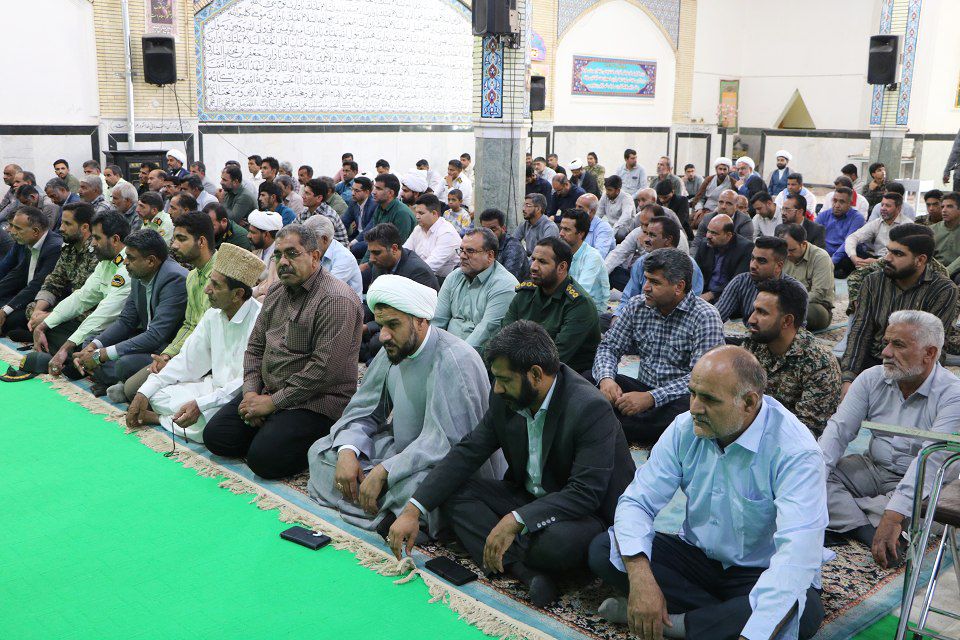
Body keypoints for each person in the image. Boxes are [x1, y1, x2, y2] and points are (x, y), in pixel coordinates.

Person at [389, 321, 636, 606]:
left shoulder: (590, 408)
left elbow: (585, 493)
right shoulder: (505, 398)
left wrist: (517, 520)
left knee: (555, 544)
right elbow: (468, 452)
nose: (496, 389)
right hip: (526, 495)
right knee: (454, 494)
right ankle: (526, 572)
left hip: (582, 513)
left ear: (535, 375)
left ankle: (519, 558)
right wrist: (413, 509)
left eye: (504, 380)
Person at [589, 346, 827, 640]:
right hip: (698, 557)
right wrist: (641, 579)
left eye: (709, 399)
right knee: (606, 548)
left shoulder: (796, 453)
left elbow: (796, 554)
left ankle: (676, 625)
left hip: (761, 570)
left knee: (804, 610)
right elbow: (637, 502)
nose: (695, 408)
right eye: (693, 393)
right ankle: (722, 620)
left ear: (749, 403)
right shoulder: (685, 428)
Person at [307, 274, 501, 534]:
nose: (383, 336)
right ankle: (384, 509)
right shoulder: (394, 348)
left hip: (439, 467)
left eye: (393, 325)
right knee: (321, 452)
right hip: (402, 452)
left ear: (420, 321)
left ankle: (384, 507)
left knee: (420, 488)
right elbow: (364, 409)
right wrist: (348, 451)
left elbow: (450, 444)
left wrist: (386, 470)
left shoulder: (455, 360)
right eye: (380, 325)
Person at [204, 224, 362, 479]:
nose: (283, 262)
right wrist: (251, 394)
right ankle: (272, 427)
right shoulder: (277, 291)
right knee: (216, 437)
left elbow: (323, 371)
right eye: (278, 255)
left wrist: (271, 404)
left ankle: (311, 434)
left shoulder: (335, 300)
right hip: (269, 390)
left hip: (317, 401)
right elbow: (255, 347)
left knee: (263, 460)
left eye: (292, 253)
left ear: (315, 257)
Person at [822, 310, 960, 567]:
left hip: (927, 484)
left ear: (929, 353)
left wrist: (894, 515)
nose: (885, 352)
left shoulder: (953, 395)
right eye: (886, 342)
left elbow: (930, 463)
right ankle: (866, 529)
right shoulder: (871, 378)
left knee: (926, 511)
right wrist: (810, 480)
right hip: (872, 468)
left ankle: (851, 517)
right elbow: (837, 432)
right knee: (811, 477)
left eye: (898, 345)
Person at [127, 243, 263, 443]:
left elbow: (243, 382)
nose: (207, 290)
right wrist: (144, 392)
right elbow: (186, 361)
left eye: (216, 286)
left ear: (237, 294)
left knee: (211, 424)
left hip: (237, 398)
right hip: (211, 387)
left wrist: (201, 404)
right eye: (209, 282)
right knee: (156, 394)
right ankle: (175, 419)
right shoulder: (213, 315)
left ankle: (160, 419)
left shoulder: (260, 320)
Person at [593, 248, 724, 443]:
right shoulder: (637, 305)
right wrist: (606, 379)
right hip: (641, 388)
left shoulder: (706, 317)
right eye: (646, 279)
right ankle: (627, 425)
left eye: (654, 282)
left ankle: (612, 424)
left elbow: (701, 379)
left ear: (679, 287)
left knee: (690, 410)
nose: (645, 287)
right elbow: (609, 347)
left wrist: (651, 398)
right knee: (587, 379)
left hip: (676, 398)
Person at [840, 223, 958, 391]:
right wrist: (848, 378)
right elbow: (860, 331)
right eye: (888, 251)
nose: (887, 258)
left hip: (914, 368)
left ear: (920, 260)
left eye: (897, 254)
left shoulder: (942, 290)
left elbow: (932, 347)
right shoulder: (873, 282)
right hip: (875, 361)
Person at [72, 229, 187, 395]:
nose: (125, 262)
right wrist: (93, 347)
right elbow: (126, 321)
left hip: (164, 351)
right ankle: (120, 381)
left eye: (131, 258)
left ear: (151, 261)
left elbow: (156, 335)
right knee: (90, 341)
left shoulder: (174, 279)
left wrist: (100, 356)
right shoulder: (139, 274)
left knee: (124, 364)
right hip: (145, 343)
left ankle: (121, 382)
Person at [19, 211, 132, 377]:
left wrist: (66, 347)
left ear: (115, 239)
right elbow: (81, 297)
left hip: (121, 332)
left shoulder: (128, 266)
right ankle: (70, 357)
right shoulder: (107, 262)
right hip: (99, 328)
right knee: (48, 327)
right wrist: (44, 325)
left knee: (84, 348)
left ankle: (73, 358)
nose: (93, 243)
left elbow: (104, 314)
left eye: (97, 238)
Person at [744, 278, 840, 435]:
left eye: (762, 312)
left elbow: (807, 431)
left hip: (790, 443)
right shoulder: (753, 344)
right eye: (754, 310)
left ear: (787, 321)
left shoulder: (819, 363)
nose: (751, 319)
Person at [502, 237, 599, 373]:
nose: (533, 267)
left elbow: (555, 356)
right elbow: (504, 335)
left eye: (542, 262)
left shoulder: (579, 303)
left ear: (561, 267)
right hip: (521, 367)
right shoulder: (525, 293)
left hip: (565, 374)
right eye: (533, 259)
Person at [19, 203, 98, 344]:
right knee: (32, 308)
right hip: (69, 307)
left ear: (85, 227)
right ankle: (45, 332)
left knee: (78, 323)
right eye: (62, 223)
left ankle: (46, 334)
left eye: (67, 224)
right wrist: (38, 312)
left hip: (86, 311)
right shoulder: (69, 248)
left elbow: (89, 302)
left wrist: (49, 317)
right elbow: (54, 281)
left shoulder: (97, 252)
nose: (61, 228)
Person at [431, 228, 518, 352]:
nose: (462, 256)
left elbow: (485, 334)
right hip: (443, 350)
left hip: (476, 357)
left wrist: (452, 357)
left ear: (490, 256)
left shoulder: (504, 285)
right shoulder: (454, 277)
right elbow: (437, 321)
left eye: (470, 251)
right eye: (461, 250)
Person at [0, 207, 64, 336]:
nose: (11, 231)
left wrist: (5, 311)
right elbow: (17, 275)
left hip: (43, 302)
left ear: (35, 231)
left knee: (9, 320)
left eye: (17, 228)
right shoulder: (28, 241)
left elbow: (37, 284)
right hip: (28, 294)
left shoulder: (54, 248)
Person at [714, 236, 801, 327]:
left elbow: (796, 329)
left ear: (779, 266)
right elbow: (716, 317)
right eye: (752, 258)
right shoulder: (740, 282)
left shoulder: (795, 290)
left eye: (762, 261)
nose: (753, 265)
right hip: (748, 334)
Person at [777, 223, 835, 331]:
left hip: (815, 305)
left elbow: (818, 294)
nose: (787, 254)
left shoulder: (820, 257)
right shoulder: (783, 254)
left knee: (791, 315)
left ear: (803, 244)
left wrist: (790, 303)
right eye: (785, 250)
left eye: (791, 250)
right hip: (786, 303)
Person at [558, 208, 610, 315]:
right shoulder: (561, 252)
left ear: (581, 234)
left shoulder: (592, 257)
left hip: (591, 312)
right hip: (566, 307)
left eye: (566, 230)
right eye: (561, 228)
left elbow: (579, 293)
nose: (561, 233)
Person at [694, 213, 754, 303]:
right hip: (702, 294)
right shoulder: (704, 244)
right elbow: (696, 272)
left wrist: (711, 294)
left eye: (714, 233)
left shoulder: (745, 248)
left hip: (730, 297)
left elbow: (738, 282)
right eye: (708, 231)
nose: (708, 236)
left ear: (728, 235)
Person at [843, 191, 910, 271]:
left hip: (894, 262)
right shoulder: (877, 222)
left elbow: (903, 254)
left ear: (898, 208)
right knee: (848, 255)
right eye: (882, 205)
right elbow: (853, 237)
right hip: (876, 258)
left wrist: (877, 262)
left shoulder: (907, 225)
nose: (883, 208)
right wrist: (854, 258)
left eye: (888, 206)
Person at [302, 214, 363, 299]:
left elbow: (327, 289)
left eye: (310, 241)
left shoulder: (344, 258)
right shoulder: (317, 252)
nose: (307, 245)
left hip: (343, 304)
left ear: (324, 239)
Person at [403, 194, 461, 279]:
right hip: (421, 274)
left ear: (434, 213)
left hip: (443, 280)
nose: (417, 217)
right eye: (416, 212)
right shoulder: (418, 229)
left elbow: (430, 267)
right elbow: (405, 253)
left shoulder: (447, 233)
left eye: (421, 213)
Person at [814, 188, 866, 278]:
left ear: (850, 203)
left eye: (842, 202)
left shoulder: (857, 218)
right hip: (824, 255)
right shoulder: (823, 215)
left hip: (844, 256)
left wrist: (831, 261)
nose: (836, 205)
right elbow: (814, 238)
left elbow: (848, 243)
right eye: (835, 200)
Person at [364, 174, 416, 253]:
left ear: (391, 193)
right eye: (374, 187)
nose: (373, 192)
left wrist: (371, 260)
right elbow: (373, 241)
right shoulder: (380, 207)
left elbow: (398, 249)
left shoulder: (401, 213)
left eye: (378, 189)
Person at [691, 189, 754, 254]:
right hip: (710, 256)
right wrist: (692, 259)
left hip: (733, 257)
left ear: (736, 207)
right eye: (721, 202)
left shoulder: (744, 222)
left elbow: (746, 249)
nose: (723, 206)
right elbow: (696, 244)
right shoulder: (708, 218)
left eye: (729, 203)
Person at [478, 208, 529, 282]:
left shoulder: (513, 247)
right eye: (485, 230)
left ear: (503, 228)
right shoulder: (483, 244)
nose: (488, 234)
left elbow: (507, 280)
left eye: (493, 229)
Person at [247, 210, 282, 288]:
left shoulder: (280, 254)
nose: (248, 236)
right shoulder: (257, 250)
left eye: (253, 232)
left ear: (266, 234)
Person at [576, 193, 615, 257]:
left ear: (592, 211)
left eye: (580, 207)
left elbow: (598, 256)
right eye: (576, 206)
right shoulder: (576, 223)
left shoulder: (604, 228)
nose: (576, 209)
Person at [342, 176, 377, 248]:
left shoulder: (374, 205)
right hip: (356, 235)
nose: (352, 193)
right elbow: (344, 221)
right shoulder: (353, 202)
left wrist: (353, 242)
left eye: (356, 191)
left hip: (369, 239)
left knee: (354, 248)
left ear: (367, 192)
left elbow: (369, 229)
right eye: (352, 189)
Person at [931, 191, 960, 276]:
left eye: (950, 206)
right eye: (942, 207)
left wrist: (946, 273)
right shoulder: (932, 230)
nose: (944, 210)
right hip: (935, 272)